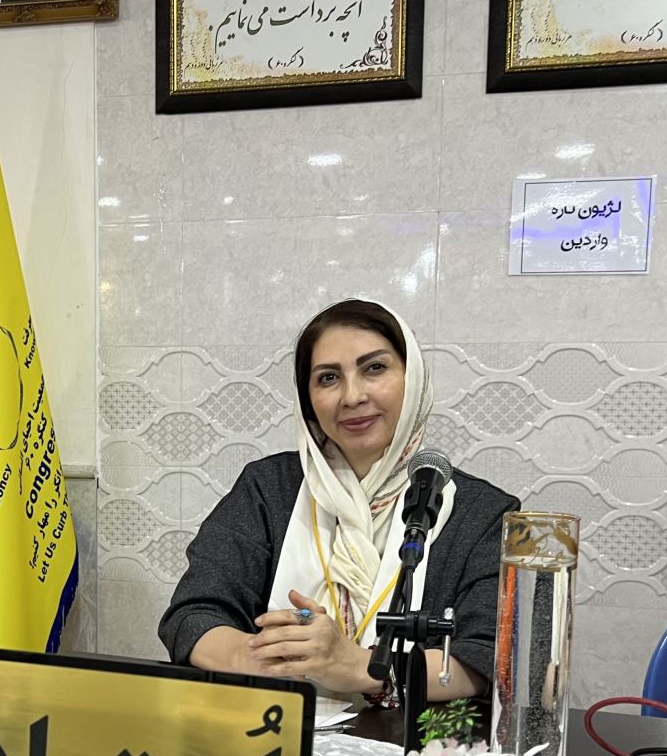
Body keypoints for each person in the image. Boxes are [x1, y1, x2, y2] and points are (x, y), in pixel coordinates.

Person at [158, 299, 519, 705]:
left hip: (418, 739)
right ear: (308, 399)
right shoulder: (269, 488)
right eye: (328, 378)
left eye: (374, 368)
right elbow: (192, 615)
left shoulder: (483, 513)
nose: (352, 396)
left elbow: (490, 655)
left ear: (414, 379)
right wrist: (271, 657)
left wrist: (360, 667)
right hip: (277, 726)